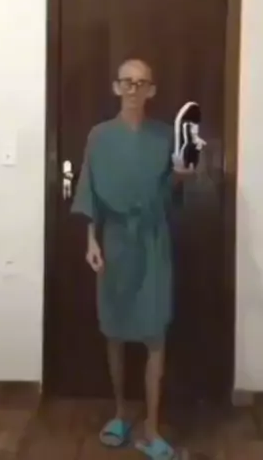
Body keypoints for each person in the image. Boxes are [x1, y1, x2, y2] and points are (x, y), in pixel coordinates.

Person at [71, 58, 195, 460]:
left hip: (153, 240)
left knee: (155, 332)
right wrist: (91, 240)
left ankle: (152, 428)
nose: (134, 89)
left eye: (142, 83)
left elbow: (173, 190)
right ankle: (121, 412)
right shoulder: (99, 136)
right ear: (116, 87)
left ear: (152, 90)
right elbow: (89, 189)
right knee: (115, 330)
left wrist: (182, 174)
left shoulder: (165, 136)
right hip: (114, 241)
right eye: (127, 82)